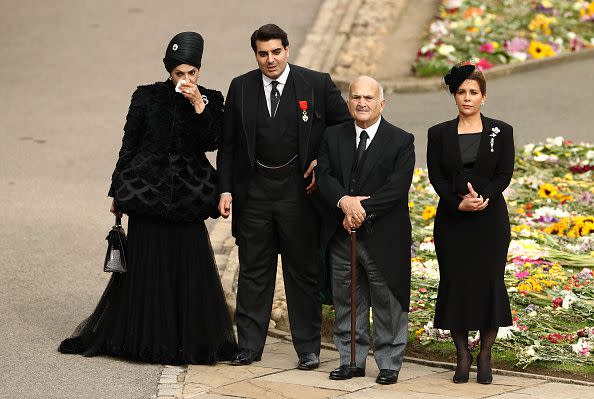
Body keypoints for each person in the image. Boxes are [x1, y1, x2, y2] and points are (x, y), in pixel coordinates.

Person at [59, 32, 237, 364]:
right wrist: (117, 190)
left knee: (188, 266)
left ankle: (186, 339)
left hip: (189, 199)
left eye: (191, 73)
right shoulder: (145, 97)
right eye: (179, 73)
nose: (185, 79)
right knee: (145, 266)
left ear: (199, 71)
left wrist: (198, 104)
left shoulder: (211, 99)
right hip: (146, 194)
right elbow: (130, 144)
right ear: (169, 70)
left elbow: (213, 141)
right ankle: (142, 338)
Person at [216, 24, 350, 369]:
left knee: (302, 272)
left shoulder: (315, 84)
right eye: (263, 54)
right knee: (253, 272)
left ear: (287, 49)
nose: (270, 59)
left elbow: (344, 127)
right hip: (255, 193)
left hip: (299, 194)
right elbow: (228, 144)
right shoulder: (241, 87)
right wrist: (226, 188)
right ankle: (248, 345)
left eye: (276, 52)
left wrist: (324, 159)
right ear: (256, 55)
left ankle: (308, 348)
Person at [317, 76, 415, 385]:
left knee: (387, 303)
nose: (362, 103)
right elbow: (324, 175)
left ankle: (388, 364)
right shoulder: (333, 137)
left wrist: (360, 210)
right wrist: (344, 201)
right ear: (348, 103)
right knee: (347, 300)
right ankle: (351, 361)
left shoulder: (401, 140)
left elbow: (397, 188)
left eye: (368, 98)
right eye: (356, 97)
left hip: (383, 236)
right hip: (341, 234)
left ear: (381, 103)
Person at [427, 62, 514, 384]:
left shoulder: (501, 131)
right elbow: (436, 176)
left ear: (484, 97)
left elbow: (505, 173)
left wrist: (484, 198)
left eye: (473, 92)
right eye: (461, 92)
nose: (467, 98)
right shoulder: (438, 133)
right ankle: (462, 354)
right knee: (456, 285)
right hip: (453, 221)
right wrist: (457, 203)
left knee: (489, 283)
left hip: (490, 222)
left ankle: (485, 354)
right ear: (454, 96)